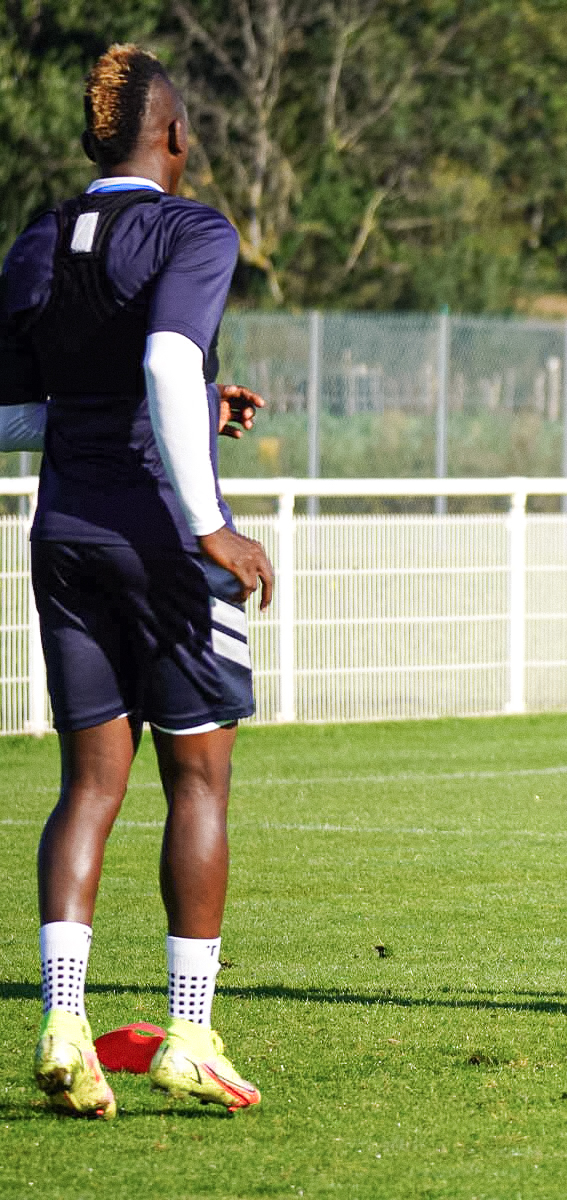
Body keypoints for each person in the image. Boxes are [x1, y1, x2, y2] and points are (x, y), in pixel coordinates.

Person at [0, 44, 273, 1116]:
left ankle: (63, 1018)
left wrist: (203, 409)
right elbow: (163, 358)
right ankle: (188, 1037)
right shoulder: (195, 227)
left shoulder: (39, 238)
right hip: (162, 539)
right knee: (197, 783)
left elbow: (25, 411)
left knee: (88, 785)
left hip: (63, 528)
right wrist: (212, 525)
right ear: (175, 137)